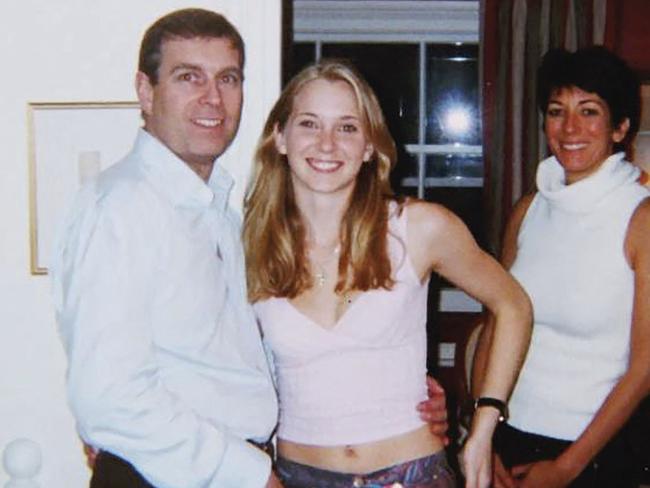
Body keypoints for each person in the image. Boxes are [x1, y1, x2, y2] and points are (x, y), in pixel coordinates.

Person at [51, 9, 449, 488]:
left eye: (228, 78)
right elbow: (109, 397)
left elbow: (244, 359)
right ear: (145, 90)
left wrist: (388, 391)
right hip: (171, 475)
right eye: (188, 77)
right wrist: (247, 473)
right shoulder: (120, 207)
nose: (212, 98)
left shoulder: (227, 215)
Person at [242, 59, 533, 488]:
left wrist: (484, 425)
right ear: (280, 138)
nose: (327, 144)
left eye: (347, 127)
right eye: (309, 124)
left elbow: (513, 304)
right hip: (296, 477)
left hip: (413, 476)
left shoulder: (418, 228)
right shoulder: (248, 243)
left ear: (368, 147)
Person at [472, 46, 650, 488]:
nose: (570, 128)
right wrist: (484, 433)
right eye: (557, 111)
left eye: (589, 111)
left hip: (596, 453)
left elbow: (646, 364)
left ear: (620, 127)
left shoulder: (641, 219)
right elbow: (495, 325)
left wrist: (567, 468)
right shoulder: (529, 210)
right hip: (509, 438)